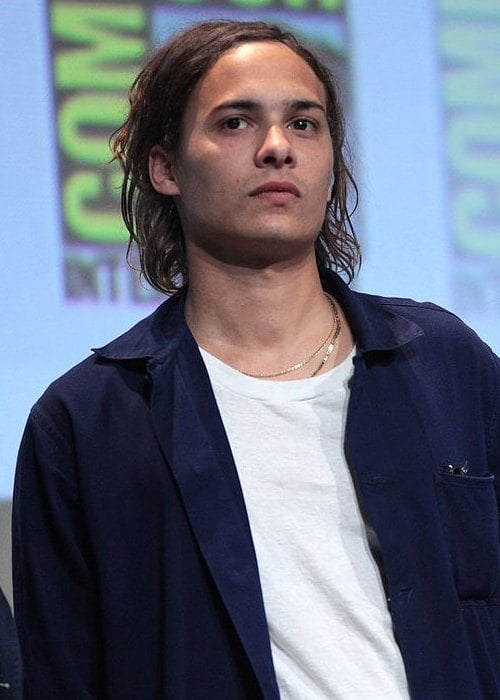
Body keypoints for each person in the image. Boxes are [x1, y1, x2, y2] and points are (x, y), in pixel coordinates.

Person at [12, 18, 500, 700]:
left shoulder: (444, 361)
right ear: (164, 167)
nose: (277, 148)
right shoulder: (87, 422)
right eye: (236, 123)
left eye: (304, 124)